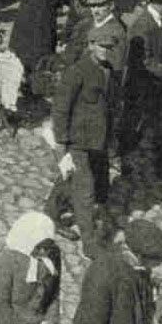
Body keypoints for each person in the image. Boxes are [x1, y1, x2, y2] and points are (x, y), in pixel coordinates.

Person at [45, 20, 119, 256]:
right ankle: (90, 243)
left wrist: (111, 141)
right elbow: (60, 107)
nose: (106, 51)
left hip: (97, 141)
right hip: (76, 141)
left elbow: (109, 108)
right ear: (91, 44)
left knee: (70, 180)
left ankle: (50, 215)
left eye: (110, 47)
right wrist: (61, 142)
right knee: (85, 190)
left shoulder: (109, 70)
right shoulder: (77, 71)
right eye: (102, 46)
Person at [120, 0, 162, 182]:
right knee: (136, 126)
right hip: (141, 88)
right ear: (160, 3)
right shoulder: (143, 25)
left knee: (155, 127)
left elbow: (159, 52)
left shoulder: (157, 21)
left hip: (153, 86)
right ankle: (128, 162)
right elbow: (142, 61)